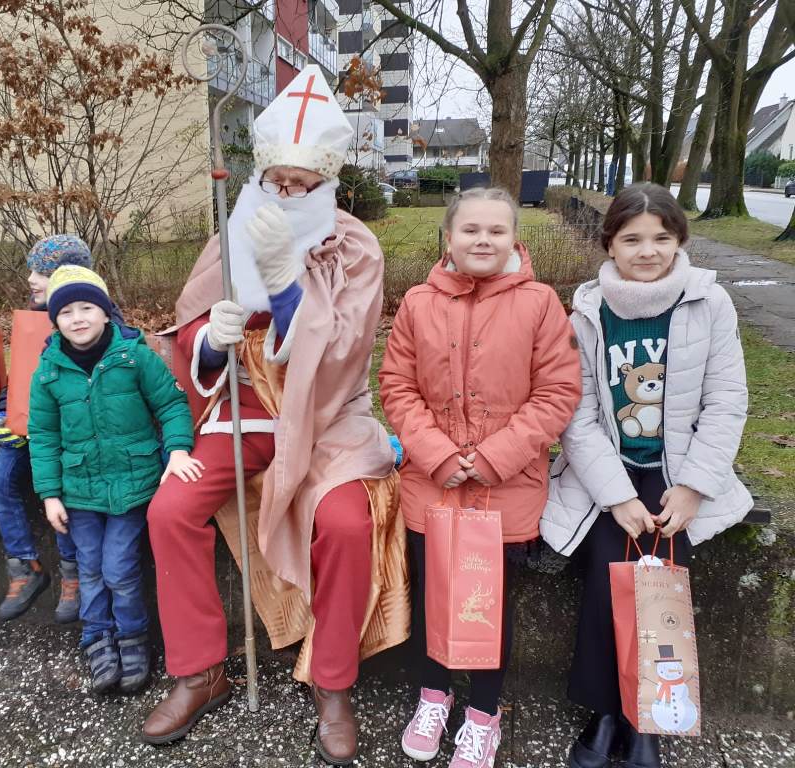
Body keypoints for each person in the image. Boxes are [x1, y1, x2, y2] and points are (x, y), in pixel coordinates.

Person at [140, 64, 405, 766]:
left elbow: (345, 350)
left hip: (326, 420)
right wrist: (210, 340)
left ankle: (334, 682)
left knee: (346, 524)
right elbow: (188, 337)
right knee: (170, 511)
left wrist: (288, 293)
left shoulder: (356, 247)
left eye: (300, 184)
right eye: (275, 181)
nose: (284, 194)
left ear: (327, 184)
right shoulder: (227, 236)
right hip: (248, 410)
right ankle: (200, 671)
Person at [541, 183, 753, 768]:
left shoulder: (709, 303)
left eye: (662, 237)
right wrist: (615, 496)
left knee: (661, 579)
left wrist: (693, 487)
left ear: (679, 240)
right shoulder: (588, 312)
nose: (648, 251)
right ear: (610, 243)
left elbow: (727, 400)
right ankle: (607, 711)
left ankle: (648, 716)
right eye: (632, 239)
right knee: (606, 573)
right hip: (608, 474)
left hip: (678, 474)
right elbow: (578, 414)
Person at [379, 187, 581, 768]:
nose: (483, 240)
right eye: (470, 230)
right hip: (433, 483)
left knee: (490, 605)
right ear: (449, 237)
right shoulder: (418, 303)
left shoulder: (540, 304)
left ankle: (483, 714)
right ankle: (433, 696)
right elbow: (398, 385)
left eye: (496, 230)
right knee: (431, 596)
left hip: (505, 488)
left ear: (514, 237)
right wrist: (438, 455)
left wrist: (496, 457)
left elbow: (557, 391)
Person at [27, 265, 199, 694]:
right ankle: (97, 637)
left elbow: (171, 405)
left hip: (131, 486)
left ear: (106, 312)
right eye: (66, 312)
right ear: (55, 320)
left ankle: (132, 636)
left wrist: (178, 449)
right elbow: (43, 435)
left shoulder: (134, 357)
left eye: (87, 308)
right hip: (79, 490)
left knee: (119, 568)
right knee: (89, 569)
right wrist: (49, 494)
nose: (77, 318)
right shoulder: (48, 371)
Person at [0, 235, 95, 623]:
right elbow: (18, 382)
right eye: (32, 269)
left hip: (67, 439)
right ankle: (24, 566)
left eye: (42, 272)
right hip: (25, 435)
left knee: (60, 479)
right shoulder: (31, 323)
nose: (31, 278)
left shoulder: (90, 321)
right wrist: (2, 416)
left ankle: (72, 571)